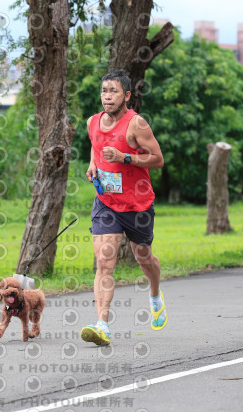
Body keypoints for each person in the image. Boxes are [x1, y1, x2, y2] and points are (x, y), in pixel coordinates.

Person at [81, 69, 166, 346]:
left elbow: (158, 160)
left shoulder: (137, 124)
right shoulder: (92, 122)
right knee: (104, 261)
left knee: (143, 257)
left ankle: (154, 293)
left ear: (126, 95)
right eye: (104, 91)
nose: (107, 96)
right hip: (107, 203)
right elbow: (95, 146)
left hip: (138, 205)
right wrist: (94, 164)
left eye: (113, 91)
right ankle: (102, 325)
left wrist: (124, 158)